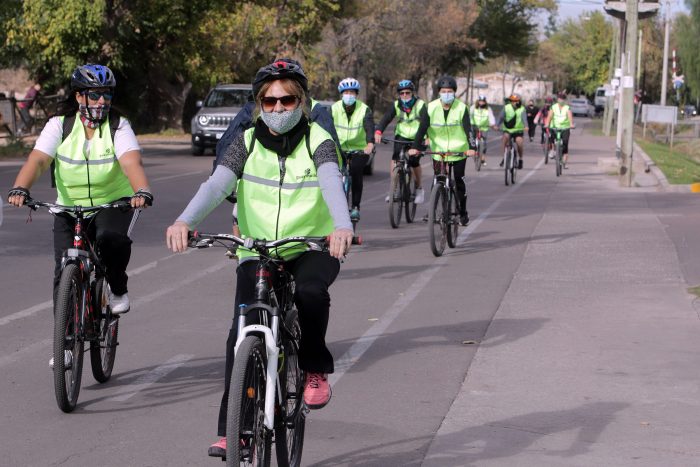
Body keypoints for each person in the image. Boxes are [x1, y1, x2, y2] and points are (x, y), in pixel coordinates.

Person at [164, 59, 353, 459]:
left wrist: (341, 225)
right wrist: (184, 220)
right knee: (240, 333)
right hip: (258, 248)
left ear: (301, 101)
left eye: (287, 100)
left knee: (311, 293)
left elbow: (331, 181)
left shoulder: (319, 138)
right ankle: (230, 430)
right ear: (258, 104)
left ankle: (315, 370)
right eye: (269, 101)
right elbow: (217, 184)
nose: (278, 108)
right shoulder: (246, 141)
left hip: (310, 245)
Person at [7, 64, 152, 360]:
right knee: (63, 273)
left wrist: (141, 191)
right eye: (95, 96)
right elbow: (37, 161)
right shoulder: (59, 125)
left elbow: (131, 163)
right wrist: (20, 187)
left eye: (106, 96)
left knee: (112, 241)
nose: (102, 103)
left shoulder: (118, 125)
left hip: (110, 203)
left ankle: (117, 288)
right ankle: (66, 344)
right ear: (79, 97)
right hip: (68, 207)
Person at [408, 75, 476, 226]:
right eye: (444, 91)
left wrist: (472, 147)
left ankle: (463, 212)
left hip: (458, 152)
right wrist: (415, 147)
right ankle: (434, 209)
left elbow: (468, 130)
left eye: (450, 91)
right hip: (439, 152)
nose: (447, 94)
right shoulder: (430, 107)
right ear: (439, 92)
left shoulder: (461, 108)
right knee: (438, 178)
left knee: (459, 181)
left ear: (454, 92)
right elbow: (422, 129)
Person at [374, 79, 426, 204]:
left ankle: (419, 189)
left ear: (412, 93)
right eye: (401, 93)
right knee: (396, 157)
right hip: (401, 135)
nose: (404, 96)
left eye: (407, 93)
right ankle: (394, 189)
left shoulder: (420, 105)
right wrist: (378, 132)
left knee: (414, 162)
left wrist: (427, 136)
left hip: (417, 137)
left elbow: (426, 123)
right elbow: (386, 118)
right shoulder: (397, 104)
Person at [331, 77, 374, 221]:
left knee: (356, 171)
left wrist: (369, 144)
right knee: (331, 172)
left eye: (352, 93)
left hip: (359, 149)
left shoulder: (364, 109)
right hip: (339, 148)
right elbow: (327, 128)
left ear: (356, 94)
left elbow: (369, 127)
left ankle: (355, 206)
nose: (349, 95)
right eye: (346, 92)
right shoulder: (334, 108)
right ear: (341, 94)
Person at [497, 93, 528, 169]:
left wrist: (526, 126)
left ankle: (520, 159)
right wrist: (497, 125)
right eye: (512, 101)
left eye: (516, 101)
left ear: (519, 101)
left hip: (518, 131)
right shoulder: (506, 108)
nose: (514, 102)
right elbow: (501, 118)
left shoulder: (522, 109)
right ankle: (504, 157)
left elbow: (524, 119)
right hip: (508, 130)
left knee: (519, 142)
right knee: (505, 138)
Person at [545, 92, 575, 168]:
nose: (561, 100)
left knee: (565, 144)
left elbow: (569, 116)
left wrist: (571, 124)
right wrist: (547, 123)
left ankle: (563, 161)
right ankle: (553, 150)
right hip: (554, 127)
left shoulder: (567, 107)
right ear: (557, 99)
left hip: (565, 128)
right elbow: (550, 116)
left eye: (562, 99)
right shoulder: (553, 107)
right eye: (559, 99)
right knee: (551, 138)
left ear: (564, 100)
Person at [469, 94, 497, 166]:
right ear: (478, 101)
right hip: (474, 126)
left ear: (485, 102)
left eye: (483, 101)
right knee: (473, 140)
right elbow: (470, 115)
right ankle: (474, 151)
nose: (481, 103)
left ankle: (482, 156)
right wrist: (469, 122)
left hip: (484, 127)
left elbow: (491, 117)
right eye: (480, 101)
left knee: (484, 143)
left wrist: (492, 124)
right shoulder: (473, 107)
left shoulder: (488, 109)